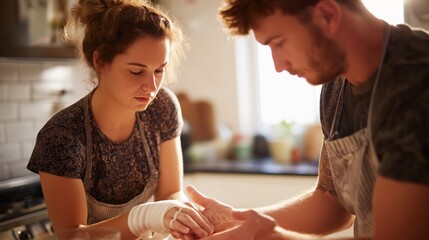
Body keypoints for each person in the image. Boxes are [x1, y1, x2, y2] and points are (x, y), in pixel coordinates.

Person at [184, 0, 429, 239]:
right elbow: (332, 201)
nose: (278, 65)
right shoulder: (336, 85)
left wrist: (274, 237)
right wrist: (236, 222)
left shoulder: (415, 83)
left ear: (328, 16)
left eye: (279, 43)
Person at [26, 0, 214, 239]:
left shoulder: (162, 107)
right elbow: (71, 236)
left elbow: (170, 193)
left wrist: (181, 215)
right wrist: (146, 217)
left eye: (159, 70)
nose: (152, 87)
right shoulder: (62, 136)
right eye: (136, 71)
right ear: (101, 61)